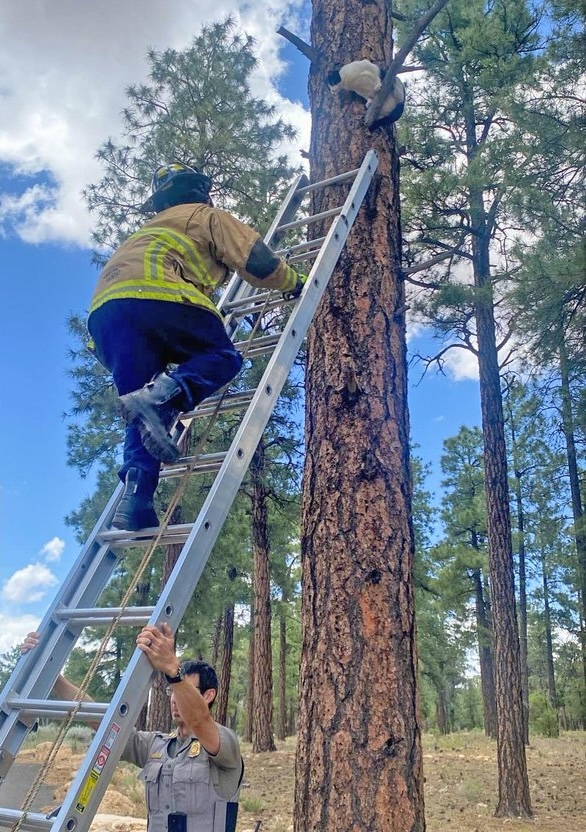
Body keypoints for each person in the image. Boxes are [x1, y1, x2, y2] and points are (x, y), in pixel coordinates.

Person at [87, 162, 307, 532]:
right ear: (202, 191)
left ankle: (136, 500)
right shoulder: (203, 216)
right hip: (155, 295)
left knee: (143, 420)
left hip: (106, 320)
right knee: (220, 357)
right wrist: (293, 281)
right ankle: (161, 398)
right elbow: (256, 260)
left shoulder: (145, 233)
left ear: (159, 202)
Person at [22, 623, 243, 832]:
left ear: (208, 695)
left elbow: (200, 721)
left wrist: (172, 670)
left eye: (185, 690)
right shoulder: (155, 746)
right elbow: (101, 721)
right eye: (172, 691)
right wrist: (53, 676)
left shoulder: (225, 746)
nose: (175, 698)